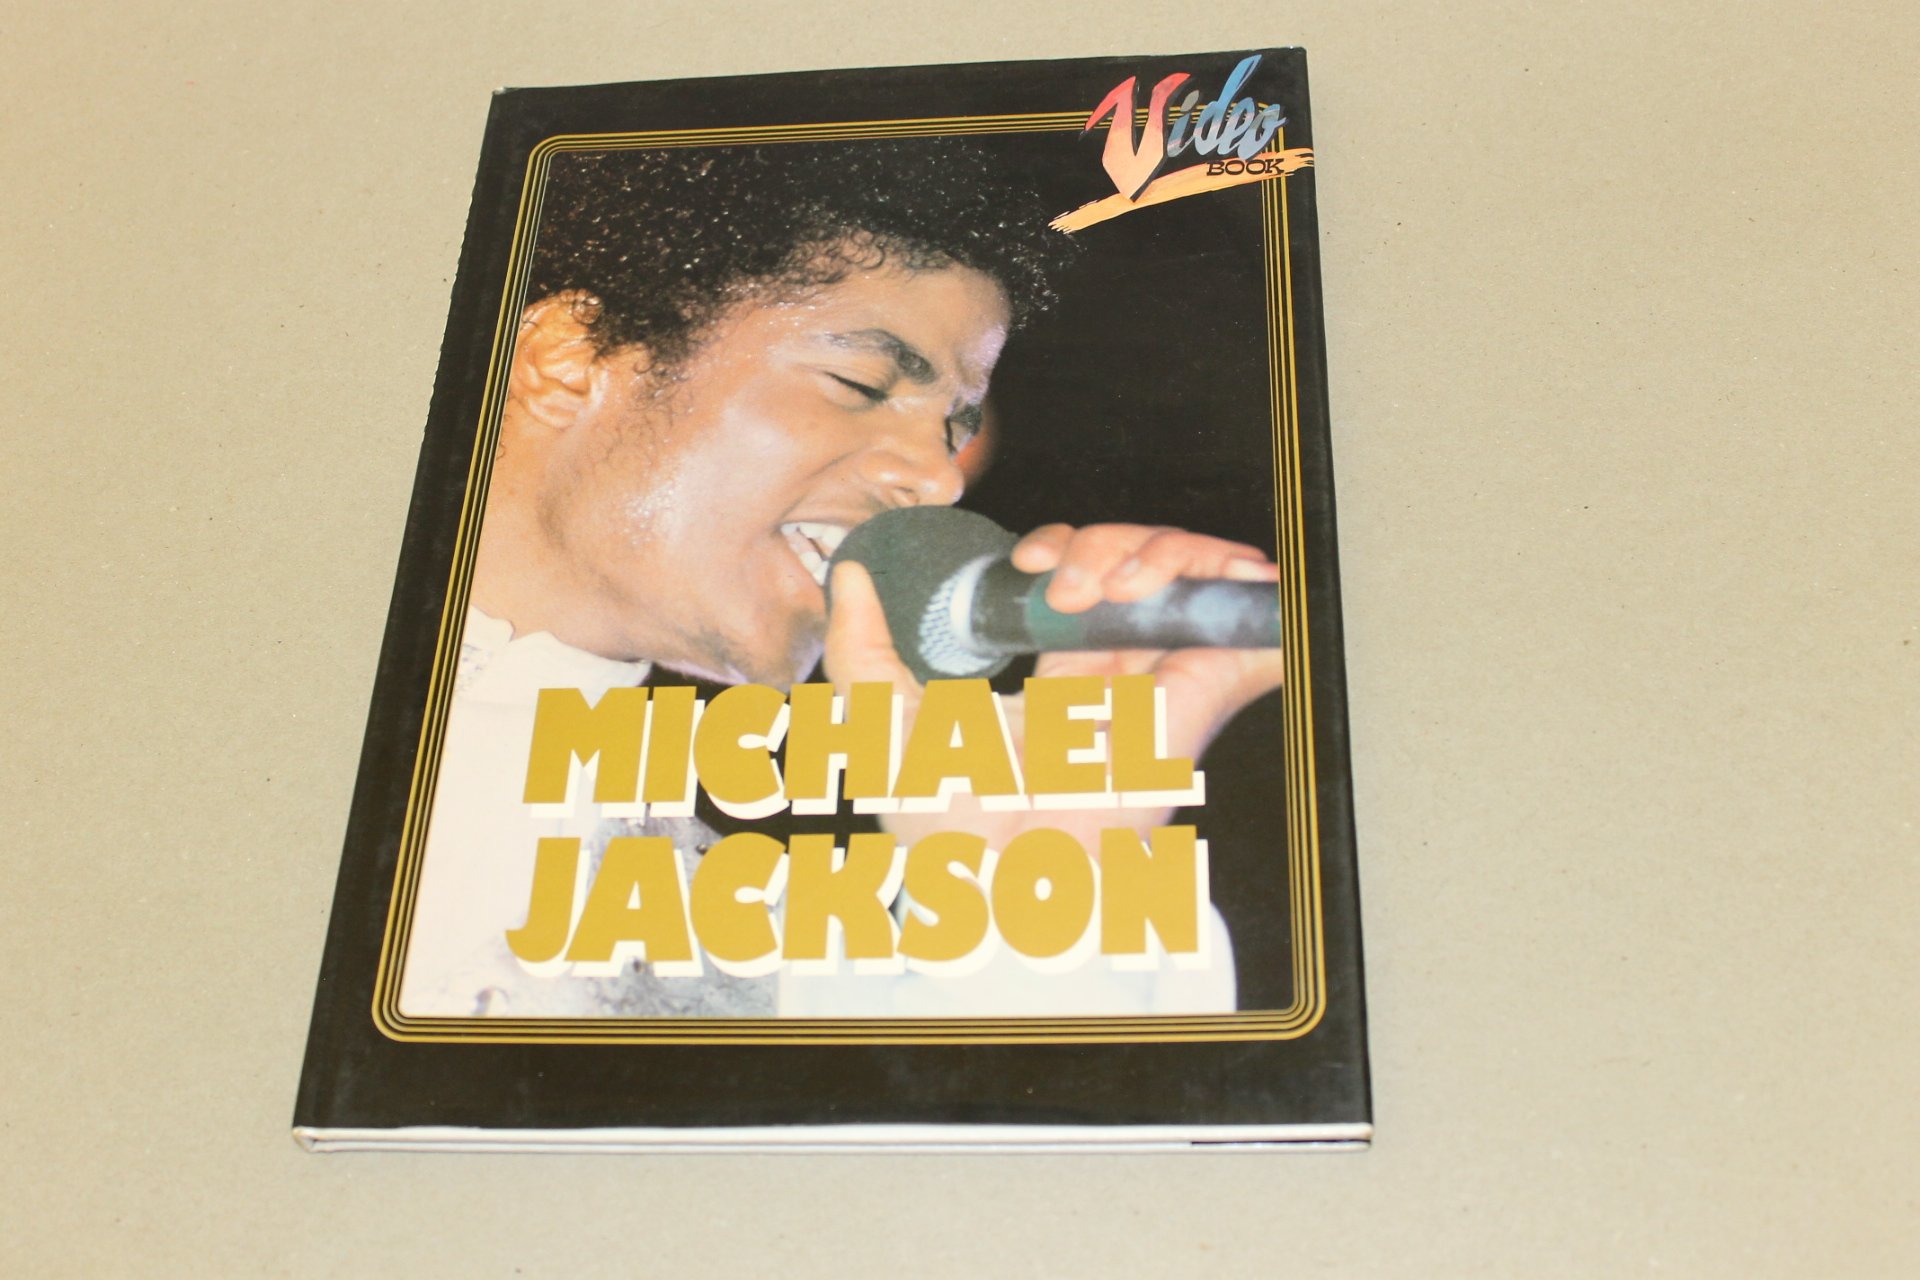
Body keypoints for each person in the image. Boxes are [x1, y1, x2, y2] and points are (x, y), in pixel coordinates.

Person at [397, 142, 1284, 1018]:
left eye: (954, 428)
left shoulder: (756, 944)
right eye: (860, 382)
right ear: (567, 359)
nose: (939, 480)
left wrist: (1044, 874)